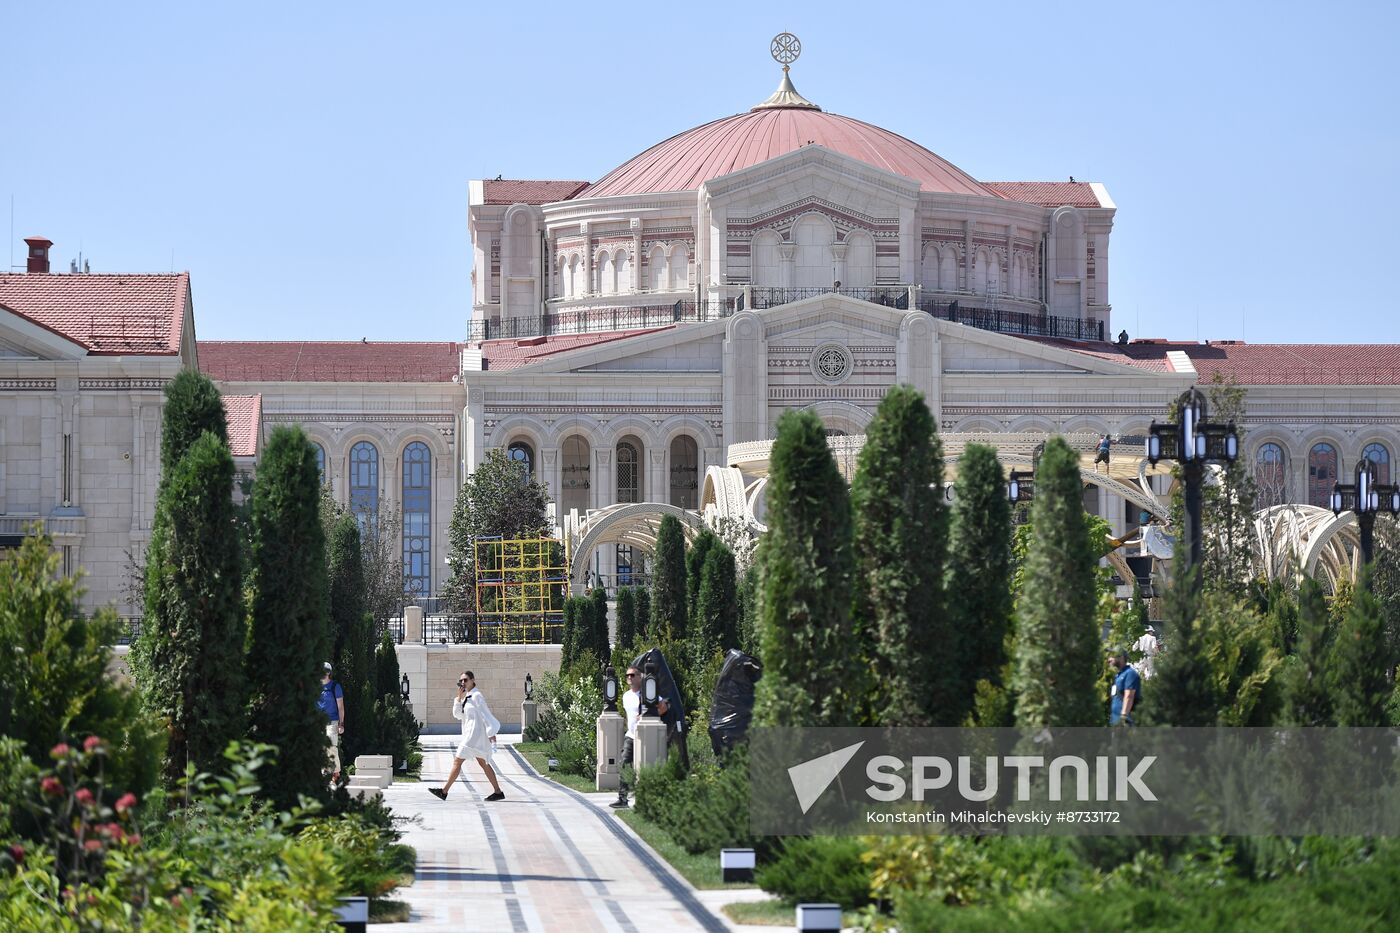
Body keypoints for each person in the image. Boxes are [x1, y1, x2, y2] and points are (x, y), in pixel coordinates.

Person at [430, 671, 504, 801]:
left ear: (472, 680)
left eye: (465, 680)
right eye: (461, 681)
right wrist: (458, 698)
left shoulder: (477, 696)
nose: (463, 683)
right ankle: (498, 792)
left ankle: (444, 791)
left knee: (457, 761)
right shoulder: (467, 697)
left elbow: (485, 715)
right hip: (470, 736)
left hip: (474, 737)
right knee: (483, 763)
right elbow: (458, 715)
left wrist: (491, 733)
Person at [609, 664, 667, 809]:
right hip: (631, 735)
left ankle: (649, 797)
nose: (629, 678)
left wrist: (649, 715)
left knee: (645, 766)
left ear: (640, 677)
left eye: (633, 675)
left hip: (646, 735)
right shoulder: (626, 696)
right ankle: (622, 798)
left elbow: (663, 707)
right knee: (624, 763)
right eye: (627, 675)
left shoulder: (648, 692)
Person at [319, 662, 346, 783]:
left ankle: (334, 773)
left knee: (330, 746)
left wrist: (341, 724)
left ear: (329, 673)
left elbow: (340, 707)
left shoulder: (335, 686)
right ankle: (326, 772)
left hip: (332, 721)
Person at [1107, 650, 1141, 726]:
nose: (1109, 660)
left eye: (1111, 656)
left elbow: (1129, 696)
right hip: (1115, 719)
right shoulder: (1117, 675)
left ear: (1121, 657)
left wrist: (1124, 716)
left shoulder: (1130, 673)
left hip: (1125, 721)